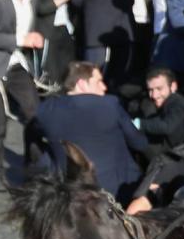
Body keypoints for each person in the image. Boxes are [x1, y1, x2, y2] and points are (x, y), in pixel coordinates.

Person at [34, 62, 148, 201]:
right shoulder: (109, 104)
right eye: (99, 81)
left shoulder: (45, 110)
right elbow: (139, 143)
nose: (104, 87)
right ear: (82, 84)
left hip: (68, 191)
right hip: (115, 190)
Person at [0, 0, 44, 187]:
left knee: (34, 113)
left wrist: (34, 38)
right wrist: (20, 40)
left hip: (16, 64)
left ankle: (33, 170)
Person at [136, 67, 184, 155]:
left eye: (159, 89)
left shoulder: (178, 103)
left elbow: (167, 126)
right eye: (150, 90)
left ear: (173, 86)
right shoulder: (167, 102)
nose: (154, 95)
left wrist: (139, 124)